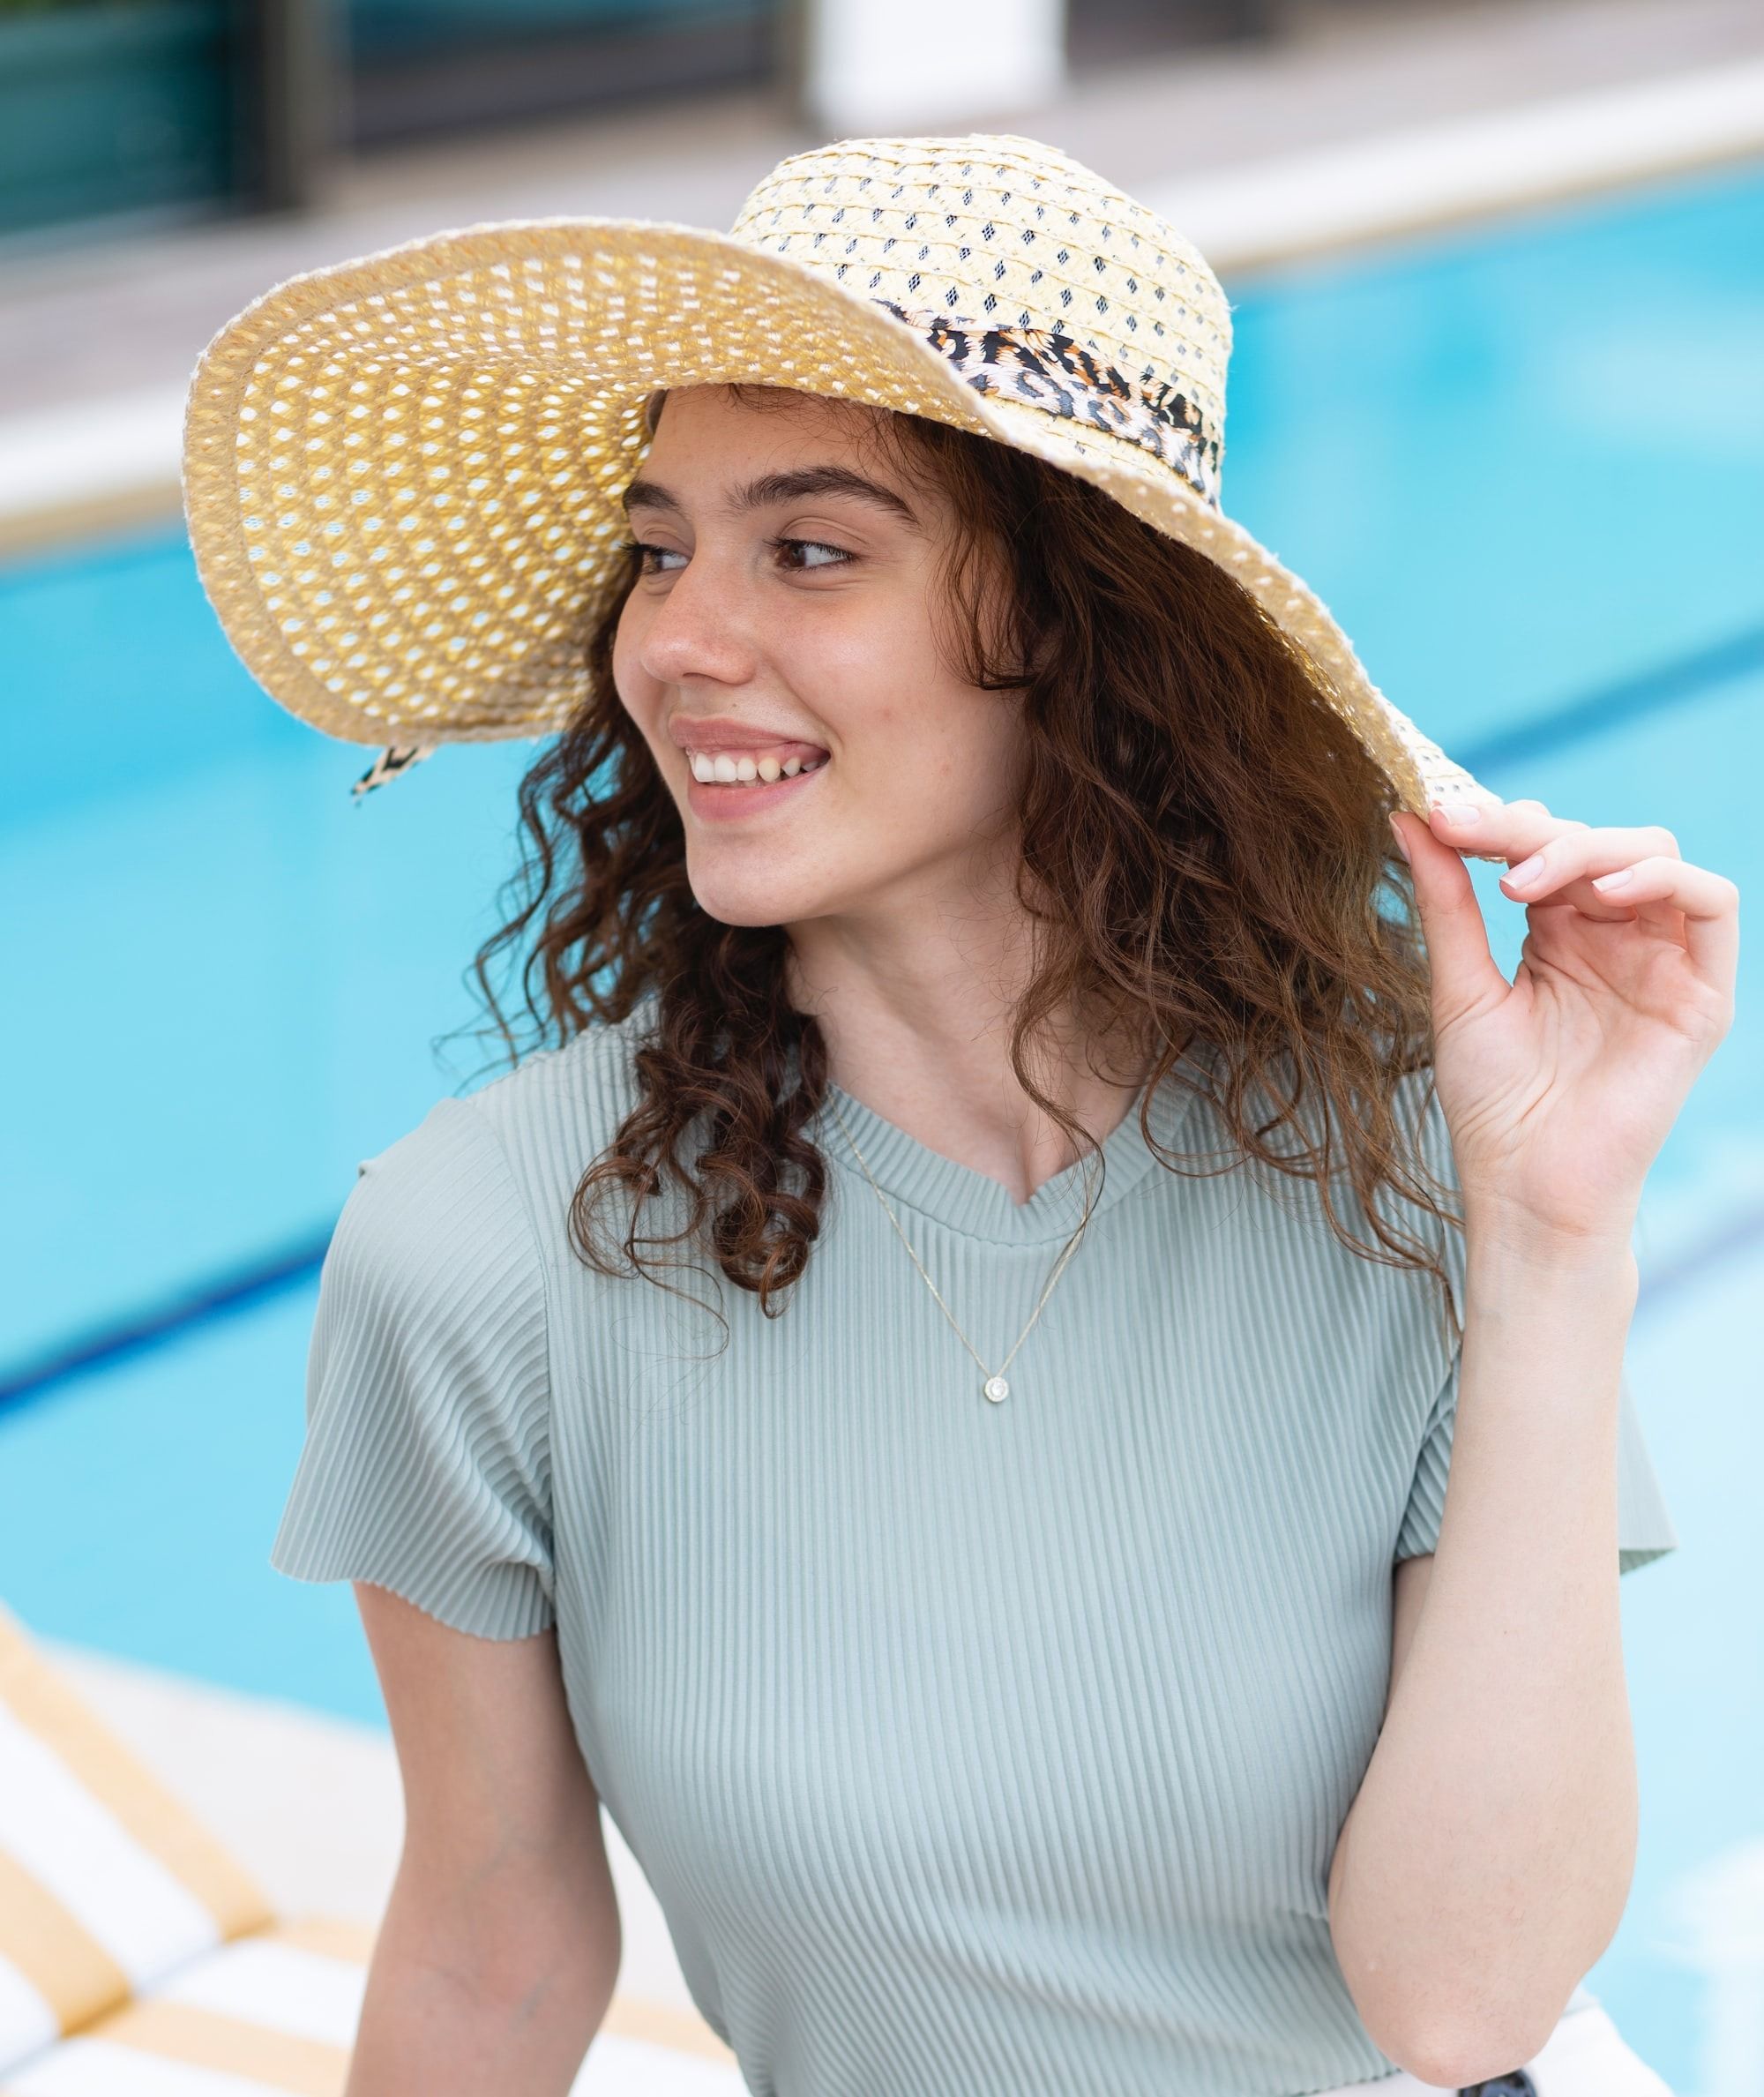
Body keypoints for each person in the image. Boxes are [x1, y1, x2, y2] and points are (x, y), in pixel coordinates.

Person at [183, 135, 1734, 2097]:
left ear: (1076, 628)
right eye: (660, 546)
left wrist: (1557, 1243)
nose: (674, 640)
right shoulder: (483, 1253)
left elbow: (1464, 2008)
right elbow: (494, 1959)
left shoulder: (1411, 1172)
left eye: (809, 549)